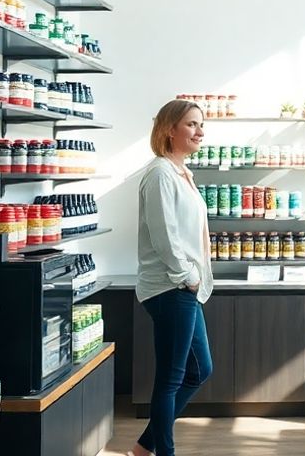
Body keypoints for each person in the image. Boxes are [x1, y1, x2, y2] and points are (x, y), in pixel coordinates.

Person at [129, 99, 213, 456]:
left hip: (184, 288)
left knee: (200, 370)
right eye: (192, 124)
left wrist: (194, 279)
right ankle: (162, 452)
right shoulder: (160, 173)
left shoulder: (181, 172)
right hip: (170, 286)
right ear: (169, 129)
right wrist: (187, 276)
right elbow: (165, 234)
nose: (200, 131)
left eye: (201, 125)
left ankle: (144, 446)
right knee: (171, 378)